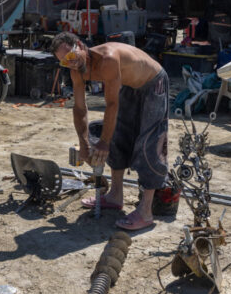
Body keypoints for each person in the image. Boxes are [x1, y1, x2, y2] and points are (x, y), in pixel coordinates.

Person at [50, 32, 169, 231]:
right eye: (64, 63)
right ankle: (115, 195)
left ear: (80, 45)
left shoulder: (108, 58)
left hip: (152, 82)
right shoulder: (76, 69)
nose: (70, 64)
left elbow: (112, 104)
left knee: (149, 141)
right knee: (119, 135)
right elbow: (80, 108)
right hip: (130, 84)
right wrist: (84, 142)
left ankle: (146, 211)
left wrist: (103, 142)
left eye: (71, 56)